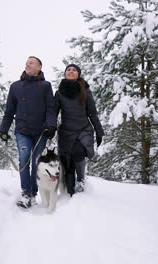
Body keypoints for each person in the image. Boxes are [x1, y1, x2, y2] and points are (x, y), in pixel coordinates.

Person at [0, 56, 57, 208]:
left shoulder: (45, 86)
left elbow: (51, 109)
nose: (27, 64)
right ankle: (26, 193)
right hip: (22, 130)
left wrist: (51, 126)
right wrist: (4, 129)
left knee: (36, 163)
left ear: (39, 67)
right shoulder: (16, 86)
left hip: (40, 132)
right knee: (24, 159)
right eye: (26, 63)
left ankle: (33, 193)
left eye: (31, 62)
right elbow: (9, 111)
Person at [55, 64, 104, 196]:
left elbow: (92, 113)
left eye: (74, 70)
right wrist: (49, 128)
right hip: (66, 132)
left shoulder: (85, 91)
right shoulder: (59, 93)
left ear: (78, 74)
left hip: (83, 130)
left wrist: (99, 131)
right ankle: (68, 186)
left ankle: (81, 179)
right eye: (68, 70)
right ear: (65, 73)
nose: (71, 71)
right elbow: (53, 113)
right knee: (67, 163)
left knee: (78, 153)